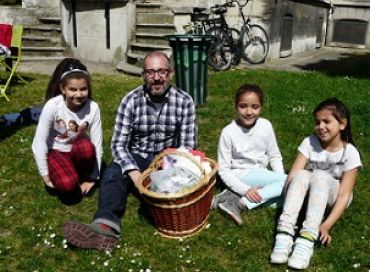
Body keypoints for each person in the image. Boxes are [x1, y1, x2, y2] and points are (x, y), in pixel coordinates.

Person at [63, 51, 197, 250]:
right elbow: (118, 144)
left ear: (171, 74)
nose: (157, 77)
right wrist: (134, 173)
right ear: (143, 75)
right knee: (113, 173)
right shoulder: (130, 100)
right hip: (138, 157)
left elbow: (187, 147)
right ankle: (104, 226)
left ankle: (164, 209)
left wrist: (168, 165)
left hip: (167, 161)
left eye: (162, 72)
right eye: (151, 72)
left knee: (181, 180)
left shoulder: (185, 102)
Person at [270, 98, 362, 270]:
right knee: (302, 174)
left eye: (326, 121)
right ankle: (284, 233)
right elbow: (292, 177)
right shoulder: (310, 142)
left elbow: (344, 195)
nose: (320, 126)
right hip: (308, 195)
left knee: (319, 175)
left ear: (342, 124)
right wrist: (290, 196)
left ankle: (307, 239)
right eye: (317, 122)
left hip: (334, 198)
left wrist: (326, 226)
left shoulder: (350, 153)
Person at [212, 84, 286, 225]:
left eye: (255, 107)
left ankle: (231, 198)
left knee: (288, 198)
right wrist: (245, 190)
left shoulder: (266, 126)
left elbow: (275, 156)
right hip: (240, 175)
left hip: (259, 173)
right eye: (243, 106)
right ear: (235, 106)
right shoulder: (228, 132)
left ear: (261, 107)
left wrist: (279, 180)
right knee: (293, 183)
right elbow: (224, 170)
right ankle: (240, 202)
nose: (249, 112)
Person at [32, 58, 103, 202]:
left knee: (88, 147)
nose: (78, 94)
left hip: (77, 148)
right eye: (73, 89)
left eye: (83, 89)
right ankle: (67, 173)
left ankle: (79, 173)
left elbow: (98, 142)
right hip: (57, 150)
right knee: (67, 185)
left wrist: (94, 178)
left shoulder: (93, 107)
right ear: (63, 89)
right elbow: (39, 142)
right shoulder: (53, 106)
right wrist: (45, 174)